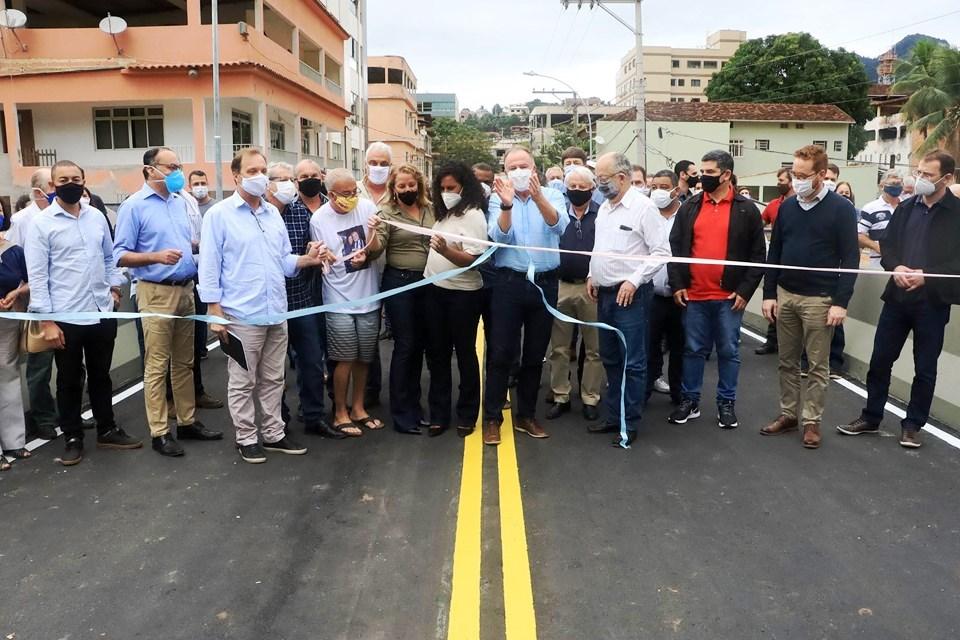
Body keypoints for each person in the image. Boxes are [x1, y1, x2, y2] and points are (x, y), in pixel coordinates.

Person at [199, 148, 324, 464]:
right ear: (236, 175)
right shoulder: (219, 215)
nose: (259, 177)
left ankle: (273, 434)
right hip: (241, 315)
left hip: (276, 311)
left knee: (274, 378)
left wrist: (306, 260)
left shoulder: (271, 214)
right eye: (252, 171)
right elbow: (209, 266)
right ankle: (246, 437)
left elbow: (283, 260)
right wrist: (214, 311)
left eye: (263, 171)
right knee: (243, 381)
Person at [837, 151, 958, 449]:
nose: (920, 180)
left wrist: (926, 275)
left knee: (925, 367)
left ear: (948, 178)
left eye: (928, 175)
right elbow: (887, 245)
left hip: (932, 301)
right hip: (897, 297)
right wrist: (897, 267)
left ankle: (913, 424)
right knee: (880, 360)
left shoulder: (957, 214)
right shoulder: (905, 208)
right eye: (919, 173)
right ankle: (871, 416)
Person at [26, 160, 140, 466]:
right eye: (63, 179)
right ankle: (73, 436)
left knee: (101, 375)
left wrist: (114, 289)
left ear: (84, 180)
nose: (71, 183)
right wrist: (47, 321)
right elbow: (37, 277)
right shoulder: (42, 224)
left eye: (76, 178)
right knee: (69, 379)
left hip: (101, 310)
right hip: (66, 316)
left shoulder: (96, 217)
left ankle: (107, 428)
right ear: (52, 186)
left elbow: (108, 256)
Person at [114, 147, 222, 457]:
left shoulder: (180, 202)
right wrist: (155, 256)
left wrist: (195, 248)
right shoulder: (133, 207)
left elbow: (185, 241)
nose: (177, 172)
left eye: (178, 166)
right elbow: (119, 254)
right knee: (157, 365)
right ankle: (159, 432)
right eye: (171, 166)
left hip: (186, 289)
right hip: (156, 291)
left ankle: (187, 421)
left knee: (184, 362)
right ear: (150, 169)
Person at [760, 145, 859, 449]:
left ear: (820, 175)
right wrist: (769, 294)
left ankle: (812, 420)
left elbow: (851, 258)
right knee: (786, 361)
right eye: (793, 173)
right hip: (786, 295)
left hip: (820, 298)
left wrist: (840, 303)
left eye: (802, 175)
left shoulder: (840, 209)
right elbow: (774, 251)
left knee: (817, 365)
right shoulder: (787, 207)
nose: (796, 180)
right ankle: (789, 414)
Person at [668, 150, 766, 429]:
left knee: (728, 351)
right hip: (694, 295)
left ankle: (726, 402)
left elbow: (758, 255)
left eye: (710, 173)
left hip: (728, 298)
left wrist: (745, 291)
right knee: (693, 350)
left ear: (726, 175)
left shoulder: (747, 210)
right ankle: (690, 400)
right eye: (702, 171)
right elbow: (674, 248)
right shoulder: (690, 207)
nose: (702, 177)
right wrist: (678, 284)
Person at [483, 146, 567, 446]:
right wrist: (506, 206)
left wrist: (538, 197)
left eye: (524, 166)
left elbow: (559, 226)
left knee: (534, 354)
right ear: (505, 172)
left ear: (535, 169)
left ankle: (527, 415)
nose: (519, 172)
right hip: (509, 283)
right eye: (513, 167)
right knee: (501, 352)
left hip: (545, 284)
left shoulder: (554, 194)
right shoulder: (497, 198)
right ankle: (493, 417)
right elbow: (500, 237)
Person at [586, 152, 670, 446]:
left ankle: (629, 421)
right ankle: (614, 416)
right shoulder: (605, 208)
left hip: (631, 296)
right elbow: (600, 247)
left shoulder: (643, 208)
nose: (599, 184)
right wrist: (591, 274)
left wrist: (634, 281)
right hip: (605, 294)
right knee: (609, 356)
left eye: (603, 179)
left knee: (632, 361)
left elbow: (661, 252)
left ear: (622, 178)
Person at [266, 160, 342, 440]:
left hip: (300, 298)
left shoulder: (301, 213)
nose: (288, 184)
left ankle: (314, 416)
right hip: (269, 303)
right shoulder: (258, 216)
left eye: (290, 179)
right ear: (268, 183)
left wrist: (313, 251)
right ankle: (278, 418)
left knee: (311, 361)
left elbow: (309, 248)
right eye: (282, 179)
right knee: (274, 369)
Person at [310, 168, 383, 439]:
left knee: (365, 358)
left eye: (354, 191)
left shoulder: (366, 207)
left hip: (369, 296)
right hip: (338, 298)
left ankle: (359, 408)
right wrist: (325, 255)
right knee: (344, 358)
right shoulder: (320, 219)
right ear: (330, 194)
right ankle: (340, 411)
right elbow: (320, 254)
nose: (352, 197)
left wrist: (370, 252)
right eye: (346, 193)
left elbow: (377, 243)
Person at [423, 162, 489, 437]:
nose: (447, 192)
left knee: (464, 355)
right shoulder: (444, 212)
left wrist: (447, 251)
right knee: (437, 354)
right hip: (435, 290)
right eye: (443, 188)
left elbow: (474, 261)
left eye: (452, 187)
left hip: (463, 295)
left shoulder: (473, 215)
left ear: (464, 186)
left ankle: (467, 413)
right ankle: (438, 413)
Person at [373, 163, 435, 435]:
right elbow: (376, 249)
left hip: (429, 283)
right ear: (394, 189)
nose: (408, 189)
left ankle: (415, 405)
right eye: (402, 186)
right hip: (400, 282)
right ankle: (401, 413)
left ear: (418, 185)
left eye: (411, 185)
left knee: (421, 345)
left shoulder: (431, 209)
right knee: (405, 345)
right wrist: (372, 232)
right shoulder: (386, 213)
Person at [6, 168, 59, 441]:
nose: (56, 188)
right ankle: (44, 419)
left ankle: (68, 412)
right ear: (37, 190)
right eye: (51, 184)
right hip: (36, 304)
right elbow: (13, 263)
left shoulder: (73, 212)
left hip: (70, 301)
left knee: (73, 363)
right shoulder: (22, 220)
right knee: (40, 364)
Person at [546, 166, 603, 422]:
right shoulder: (556, 216)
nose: (577, 191)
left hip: (592, 288)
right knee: (559, 347)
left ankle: (590, 397)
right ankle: (561, 395)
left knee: (594, 348)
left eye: (583, 187)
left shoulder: (603, 216)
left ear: (592, 188)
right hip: (561, 285)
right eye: (573, 187)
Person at [646, 170, 684, 407]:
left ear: (676, 190)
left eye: (664, 186)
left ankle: (680, 395)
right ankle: (646, 389)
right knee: (649, 344)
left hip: (681, 294)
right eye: (654, 186)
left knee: (680, 347)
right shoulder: (646, 214)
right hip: (651, 293)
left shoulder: (687, 214)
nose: (658, 191)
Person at [0, 218, 30, 468]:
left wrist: (17, 294)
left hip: (8, 323)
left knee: (9, 376)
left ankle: (14, 441)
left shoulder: (13, 251)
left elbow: (31, 280)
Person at [756, 167, 796, 356]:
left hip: (795, 260)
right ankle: (772, 341)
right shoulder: (773, 205)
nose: (779, 184)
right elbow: (758, 225)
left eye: (782, 181)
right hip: (776, 257)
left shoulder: (800, 204)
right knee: (773, 299)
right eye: (778, 180)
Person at [859, 169, 902, 268]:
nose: (896, 187)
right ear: (882, 185)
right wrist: (878, 247)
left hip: (904, 265)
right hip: (879, 265)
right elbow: (859, 235)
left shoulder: (908, 206)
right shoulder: (870, 208)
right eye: (893, 183)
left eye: (899, 183)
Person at [359, 141, 392, 205]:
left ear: (390, 166)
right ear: (365, 164)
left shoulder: (396, 193)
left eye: (383, 164)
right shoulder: (354, 191)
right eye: (373, 163)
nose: (378, 168)